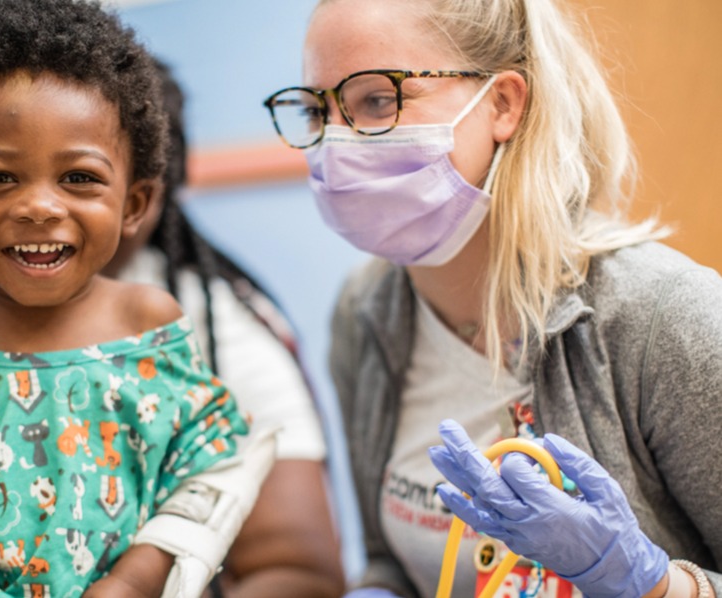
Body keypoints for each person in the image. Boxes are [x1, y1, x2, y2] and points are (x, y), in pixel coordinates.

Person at [0, 7, 343, 598]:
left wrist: (135, 580)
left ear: (135, 205)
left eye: (78, 178)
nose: (40, 207)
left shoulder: (151, 330)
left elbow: (204, 484)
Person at [261, 0, 722, 597]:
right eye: (317, 110)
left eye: (377, 101)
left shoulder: (666, 319)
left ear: (503, 104)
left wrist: (654, 586)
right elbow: (393, 561)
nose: (337, 145)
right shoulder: (366, 314)